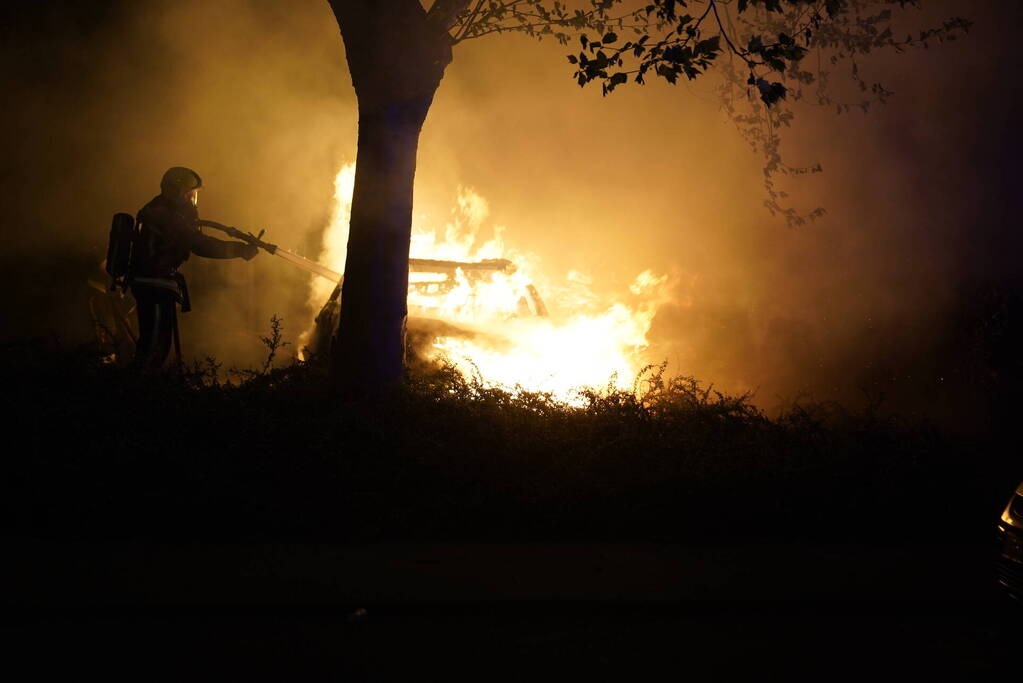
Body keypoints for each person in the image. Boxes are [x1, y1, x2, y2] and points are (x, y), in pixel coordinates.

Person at [130, 166, 258, 367]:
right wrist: (240, 250)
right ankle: (135, 391)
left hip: (156, 284)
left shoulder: (162, 211)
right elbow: (200, 245)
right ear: (177, 193)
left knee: (159, 346)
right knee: (153, 348)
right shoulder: (165, 216)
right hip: (152, 284)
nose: (193, 200)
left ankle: (145, 388)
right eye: (190, 194)